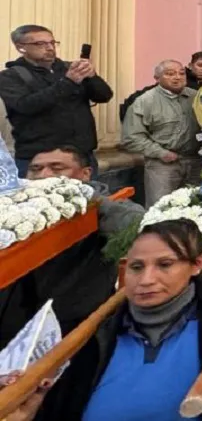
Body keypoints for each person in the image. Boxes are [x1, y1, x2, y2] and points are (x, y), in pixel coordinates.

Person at [22, 219, 202, 421]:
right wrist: (33, 405)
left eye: (165, 265)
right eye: (137, 267)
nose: (147, 280)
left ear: (197, 265)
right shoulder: (89, 333)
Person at [0, 146, 144, 347]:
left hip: (75, 324)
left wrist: (88, 201)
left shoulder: (102, 203)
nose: (45, 175)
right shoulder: (15, 209)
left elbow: (139, 226)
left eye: (57, 168)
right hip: (16, 326)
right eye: (35, 169)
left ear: (85, 174)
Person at [0, 24, 113, 175]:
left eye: (52, 43)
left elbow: (104, 96)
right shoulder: (11, 76)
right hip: (40, 159)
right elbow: (25, 106)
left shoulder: (69, 68)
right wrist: (68, 82)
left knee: (90, 198)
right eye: (40, 44)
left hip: (82, 156)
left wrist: (92, 77)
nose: (49, 48)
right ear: (21, 47)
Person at [121, 59, 202, 205]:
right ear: (157, 78)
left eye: (181, 73)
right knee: (161, 209)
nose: (177, 77)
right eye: (170, 74)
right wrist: (160, 153)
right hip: (162, 165)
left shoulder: (197, 97)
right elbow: (131, 137)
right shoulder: (145, 101)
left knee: (194, 208)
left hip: (195, 162)